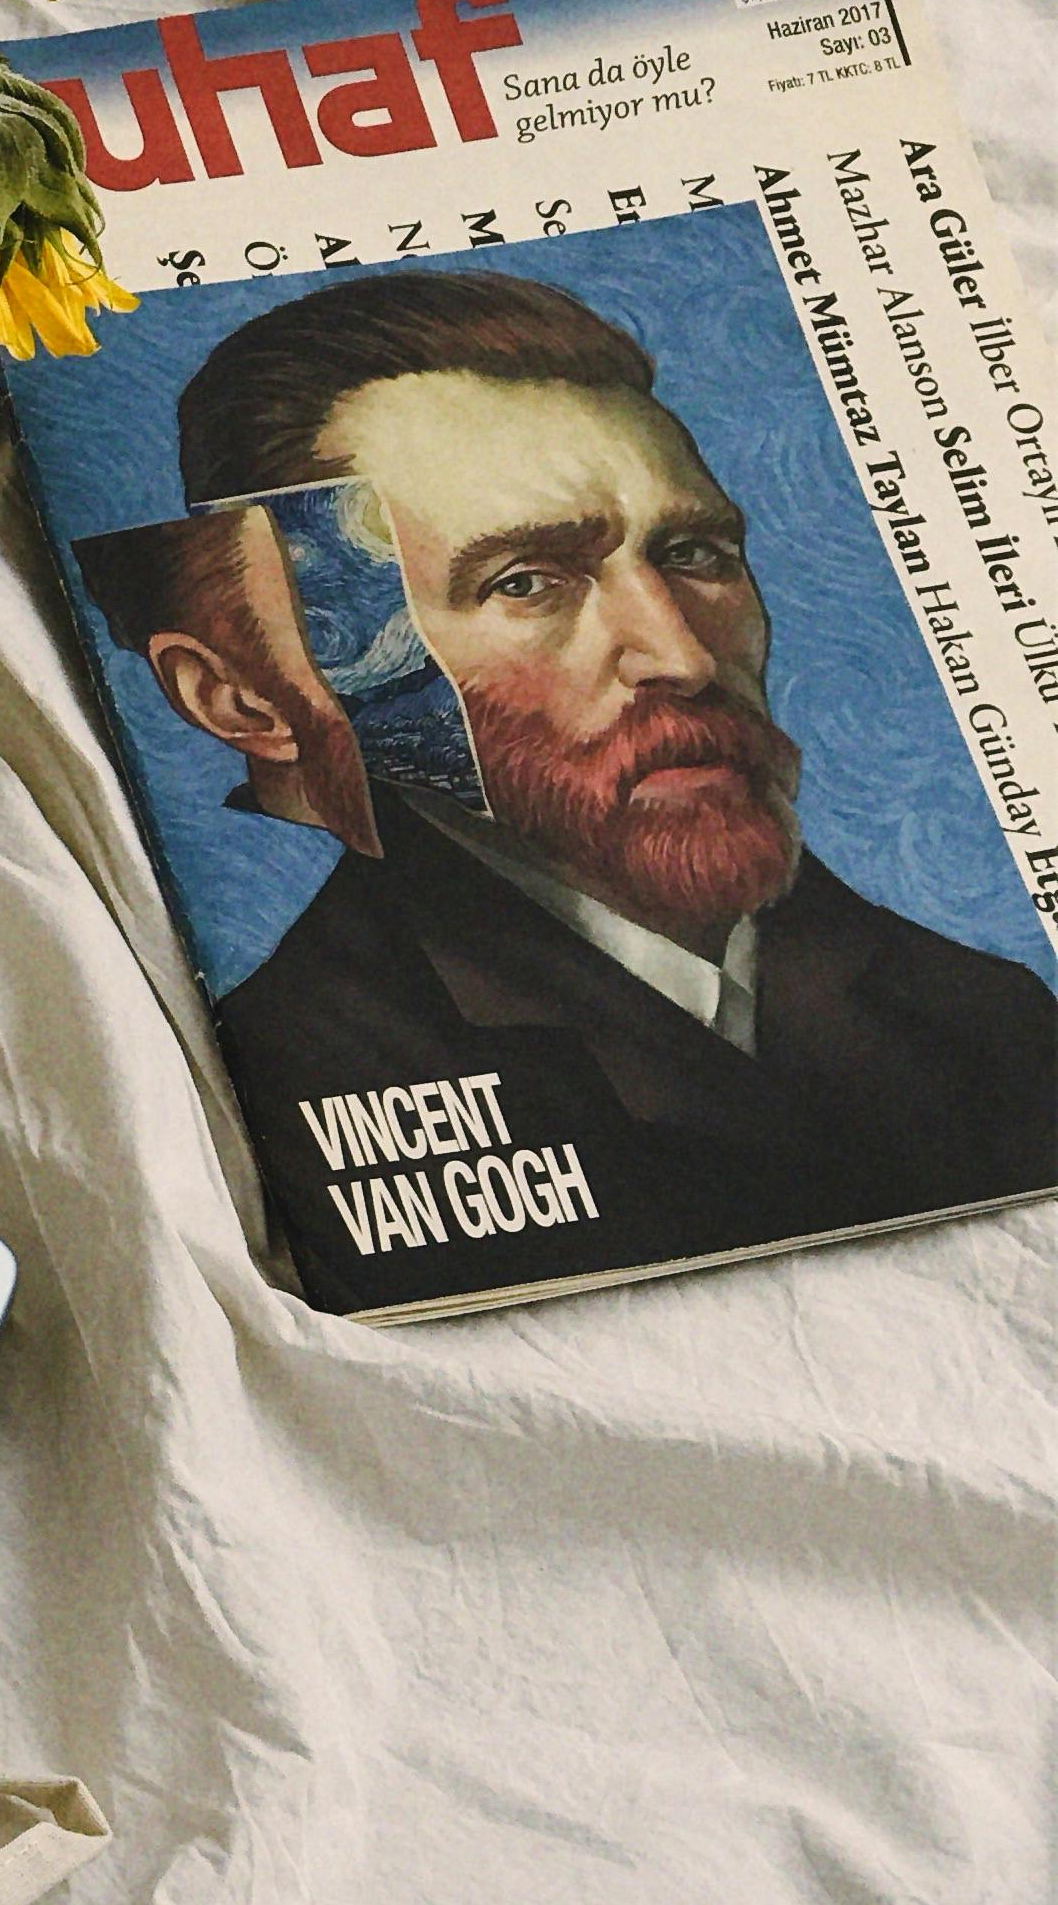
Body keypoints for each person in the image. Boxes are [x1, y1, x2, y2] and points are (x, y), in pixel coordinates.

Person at [101, 269, 1058, 1294]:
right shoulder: (303, 1068)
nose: (681, 655)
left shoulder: (990, 1015)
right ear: (246, 700)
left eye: (694, 554)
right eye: (525, 582)